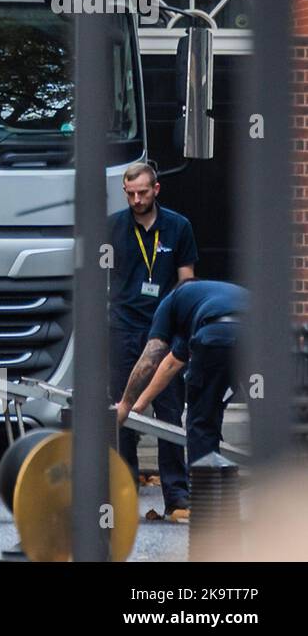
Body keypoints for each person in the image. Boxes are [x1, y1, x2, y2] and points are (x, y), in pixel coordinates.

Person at [107, 161, 197, 520]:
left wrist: (178, 318)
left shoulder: (178, 226)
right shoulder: (112, 227)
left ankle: (177, 497)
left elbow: (187, 280)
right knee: (122, 411)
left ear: (156, 189)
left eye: (143, 192)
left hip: (166, 328)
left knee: (170, 412)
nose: (136, 199)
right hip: (123, 328)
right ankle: (123, 494)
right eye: (130, 193)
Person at [116, 279, 247, 467]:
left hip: (214, 338)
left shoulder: (171, 300)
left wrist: (126, 405)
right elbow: (171, 364)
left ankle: (207, 491)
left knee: (202, 424)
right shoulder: (209, 299)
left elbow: (151, 358)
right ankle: (281, 486)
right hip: (259, 339)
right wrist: (140, 404)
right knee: (264, 412)